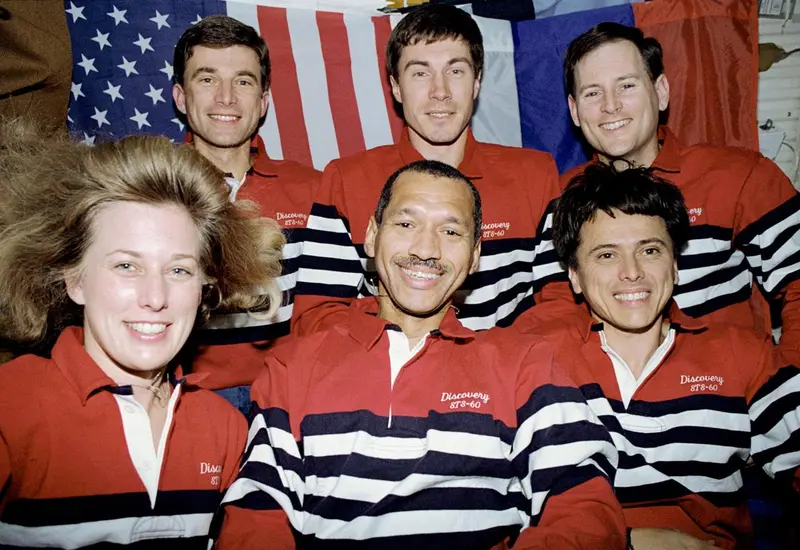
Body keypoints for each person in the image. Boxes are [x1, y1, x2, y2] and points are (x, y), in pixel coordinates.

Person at [215, 160, 627, 549]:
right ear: (373, 236)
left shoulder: (525, 364)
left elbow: (585, 504)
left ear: (475, 255)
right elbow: (256, 515)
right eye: (407, 223)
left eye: (450, 232)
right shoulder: (294, 367)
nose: (426, 249)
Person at [0, 119, 285, 547]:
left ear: (203, 288)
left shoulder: (224, 428)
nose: (155, 297)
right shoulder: (12, 406)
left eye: (178, 270)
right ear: (74, 280)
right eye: (126, 266)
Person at [517, 164, 800, 549]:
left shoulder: (743, 355)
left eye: (650, 250)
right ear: (575, 276)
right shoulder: (533, 360)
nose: (632, 272)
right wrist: (629, 542)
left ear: (676, 265)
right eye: (606, 255)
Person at [292, 3, 571, 337]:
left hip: (507, 379)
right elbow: (318, 319)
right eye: (420, 73)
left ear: (477, 82)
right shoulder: (346, 179)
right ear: (396, 87)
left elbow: (562, 306)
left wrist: (492, 363)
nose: (440, 92)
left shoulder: (535, 175)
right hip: (390, 381)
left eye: (456, 71)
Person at [558, 22, 800, 365]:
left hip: (727, 404)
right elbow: (554, 313)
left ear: (660, 92)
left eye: (626, 85)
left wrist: (786, 390)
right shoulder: (558, 201)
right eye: (592, 93)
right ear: (574, 111)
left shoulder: (741, 178)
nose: (610, 106)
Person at [172, 15, 320, 409]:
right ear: (181, 97)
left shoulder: (313, 190)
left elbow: (329, 314)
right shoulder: (154, 188)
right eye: (207, 79)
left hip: (287, 400)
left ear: (264, 100)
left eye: (243, 81)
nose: (226, 97)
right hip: (186, 401)